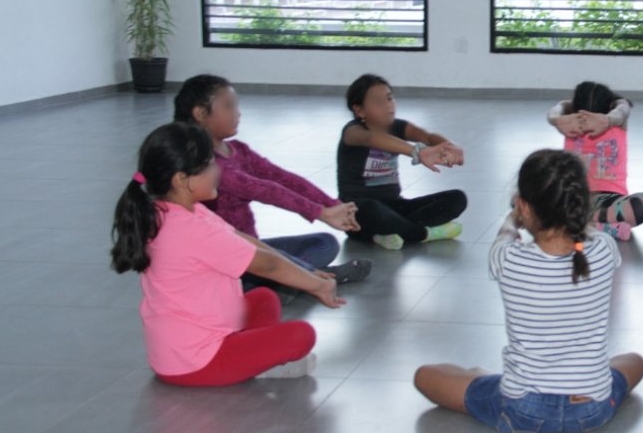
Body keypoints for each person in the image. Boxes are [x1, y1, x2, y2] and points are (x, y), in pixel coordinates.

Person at [413, 149, 643, 433]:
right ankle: (577, 381)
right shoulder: (604, 251)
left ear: (524, 207)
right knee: (636, 362)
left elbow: (505, 235)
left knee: (425, 376)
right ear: (581, 205)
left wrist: (514, 217)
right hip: (593, 408)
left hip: (523, 410)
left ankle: (488, 381)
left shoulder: (508, 259)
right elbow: (587, 234)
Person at [110, 122, 345, 387]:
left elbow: (245, 241)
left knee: (264, 298)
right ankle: (256, 362)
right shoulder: (189, 228)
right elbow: (267, 266)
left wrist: (309, 273)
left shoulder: (176, 210)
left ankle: (253, 357)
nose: (218, 170)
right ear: (181, 179)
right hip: (197, 361)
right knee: (302, 335)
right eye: (210, 164)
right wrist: (318, 286)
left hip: (181, 349)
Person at [174, 74, 371, 286]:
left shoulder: (238, 150)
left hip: (252, 248)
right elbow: (265, 190)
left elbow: (281, 178)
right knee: (261, 265)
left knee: (325, 243)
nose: (238, 113)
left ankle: (292, 279)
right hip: (227, 260)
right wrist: (319, 212)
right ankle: (302, 278)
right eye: (229, 106)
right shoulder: (204, 166)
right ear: (201, 114)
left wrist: (332, 204)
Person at [336, 74, 468, 250]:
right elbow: (372, 138)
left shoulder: (398, 126)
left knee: (457, 198)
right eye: (378, 102)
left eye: (390, 98)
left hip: (394, 206)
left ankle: (387, 232)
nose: (388, 105)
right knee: (372, 209)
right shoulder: (353, 132)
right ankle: (423, 234)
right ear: (359, 110)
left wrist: (450, 146)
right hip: (357, 212)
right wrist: (417, 152)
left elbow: (426, 136)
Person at [548, 81, 643, 241]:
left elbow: (623, 106)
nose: (586, 122)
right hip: (575, 196)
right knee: (524, 198)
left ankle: (581, 221)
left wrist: (607, 120)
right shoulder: (568, 121)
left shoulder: (617, 122)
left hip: (609, 200)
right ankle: (599, 224)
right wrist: (557, 120)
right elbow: (558, 108)